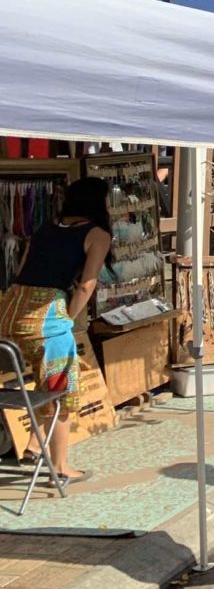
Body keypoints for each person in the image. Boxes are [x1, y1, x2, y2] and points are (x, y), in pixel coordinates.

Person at [1, 177, 113, 483]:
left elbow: (23, 269)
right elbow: (87, 285)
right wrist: (69, 317)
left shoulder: (46, 227)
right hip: (47, 315)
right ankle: (61, 466)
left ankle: (35, 445)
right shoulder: (97, 234)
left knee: (41, 380)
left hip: (10, 310)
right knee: (61, 388)